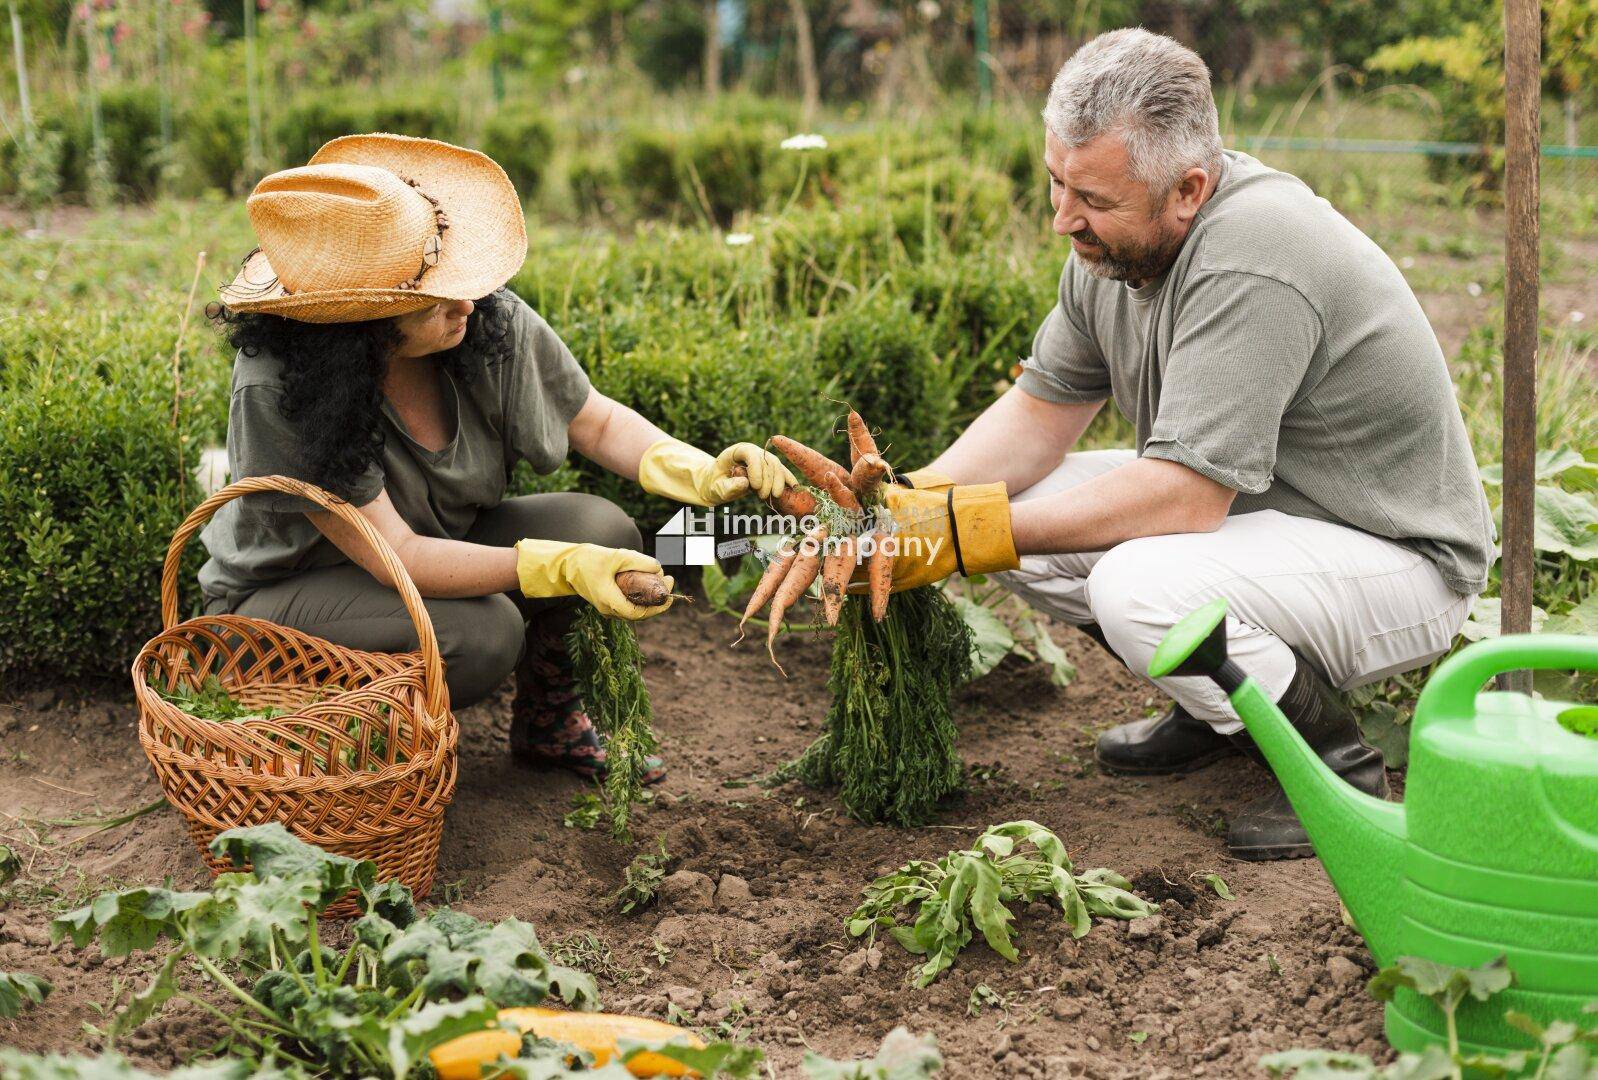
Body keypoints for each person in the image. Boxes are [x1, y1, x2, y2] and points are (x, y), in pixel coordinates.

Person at [869, 29, 1494, 860]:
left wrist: (963, 532)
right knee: (1010, 513)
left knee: (1135, 579)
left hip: (1392, 552)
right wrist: (906, 505)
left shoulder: (1256, 254)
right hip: (1270, 526)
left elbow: (1185, 497)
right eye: (1056, 183)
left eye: (1090, 197)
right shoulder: (1111, 248)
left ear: (1188, 189)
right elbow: (1038, 414)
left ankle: (1334, 767)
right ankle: (1218, 713)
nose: (1063, 218)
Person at [198, 133, 795, 784]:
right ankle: (345, 761)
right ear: (359, 322)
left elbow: (592, 419)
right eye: (428, 299)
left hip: (430, 552)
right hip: (288, 602)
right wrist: (558, 567)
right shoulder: (282, 386)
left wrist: (703, 474)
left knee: (601, 529)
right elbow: (399, 555)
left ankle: (547, 727)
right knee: (483, 634)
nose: (464, 302)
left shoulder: (478, 320)